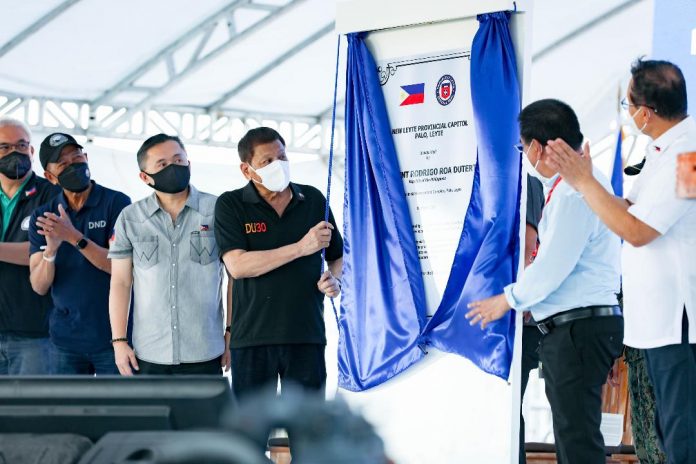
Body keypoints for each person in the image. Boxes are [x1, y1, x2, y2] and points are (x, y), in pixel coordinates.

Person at [545, 59, 696, 464]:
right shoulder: (660, 149)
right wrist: (584, 180)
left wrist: (584, 182)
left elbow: (638, 231)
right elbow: (626, 207)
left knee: (684, 441)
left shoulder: (690, 157)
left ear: (646, 112)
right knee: (669, 435)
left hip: (678, 325)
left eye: (629, 106)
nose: (628, 115)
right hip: (652, 325)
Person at [466, 99, 623, 464]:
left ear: (537, 147)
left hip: (579, 327)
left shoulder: (574, 193)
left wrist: (505, 300)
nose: (524, 156)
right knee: (573, 434)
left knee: (577, 439)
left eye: (523, 148)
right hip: (575, 327)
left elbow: (551, 267)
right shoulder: (569, 187)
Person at [214, 127, 343, 398]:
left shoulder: (313, 199)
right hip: (251, 339)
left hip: (306, 336)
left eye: (282, 157)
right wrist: (300, 248)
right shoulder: (231, 204)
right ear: (247, 170)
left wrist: (335, 280)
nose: (278, 166)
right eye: (267, 162)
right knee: (250, 436)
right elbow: (238, 266)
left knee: (309, 434)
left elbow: (338, 256)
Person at [108, 134, 231, 375]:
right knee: (154, 415)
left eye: (178, 160)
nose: (173, 168)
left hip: (206, 350)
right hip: (150, 352)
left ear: (189, 164)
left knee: (205, 415)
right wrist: (119, 342)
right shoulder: (131, 218)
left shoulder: (218, 210)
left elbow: (235, 276)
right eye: (162, 164)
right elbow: (121, 283)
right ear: (145, 177)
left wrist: (231, 332)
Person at [28, 132, 130, 375]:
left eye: (77, 157)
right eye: (63, 164)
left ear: (86, 157)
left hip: (114, 338)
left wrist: (73, 237)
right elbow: (39, 285)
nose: (74, 165)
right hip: (65, 341)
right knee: (66, 413)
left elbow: (121, 268)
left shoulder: (116, 203)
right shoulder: (44, 216)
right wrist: (50, 251)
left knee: (118, 412)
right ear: (50, 177)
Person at [0, 118, 60, 375]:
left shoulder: (52, 195)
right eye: (4, 147)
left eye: (21, 145)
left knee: (31, 414)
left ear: (32, 151)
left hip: (35, 334)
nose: (14, 152)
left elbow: (47, 250)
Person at [518, 175, 545, 464]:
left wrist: (522, 295)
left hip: (521, 320)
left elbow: (529, 246)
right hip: (490, 315)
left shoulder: (526, 182)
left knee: (512, 407)